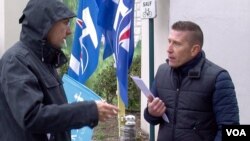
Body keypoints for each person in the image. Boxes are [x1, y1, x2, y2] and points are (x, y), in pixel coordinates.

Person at [0, 0, 118, 140]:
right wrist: (88, 111)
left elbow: (54, 114)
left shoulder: (43, 60)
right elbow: (32, 116)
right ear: (45, 24)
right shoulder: (16, 61)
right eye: (65, 22)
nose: (69, 31)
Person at [144, 21, 239, 141]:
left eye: (177, 44)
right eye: (169, 41)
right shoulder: (162, 71)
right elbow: (152, 119)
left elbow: (232, 130)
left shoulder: (218, 78)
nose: (169, 49)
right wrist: (151, 112)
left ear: (194, 50)